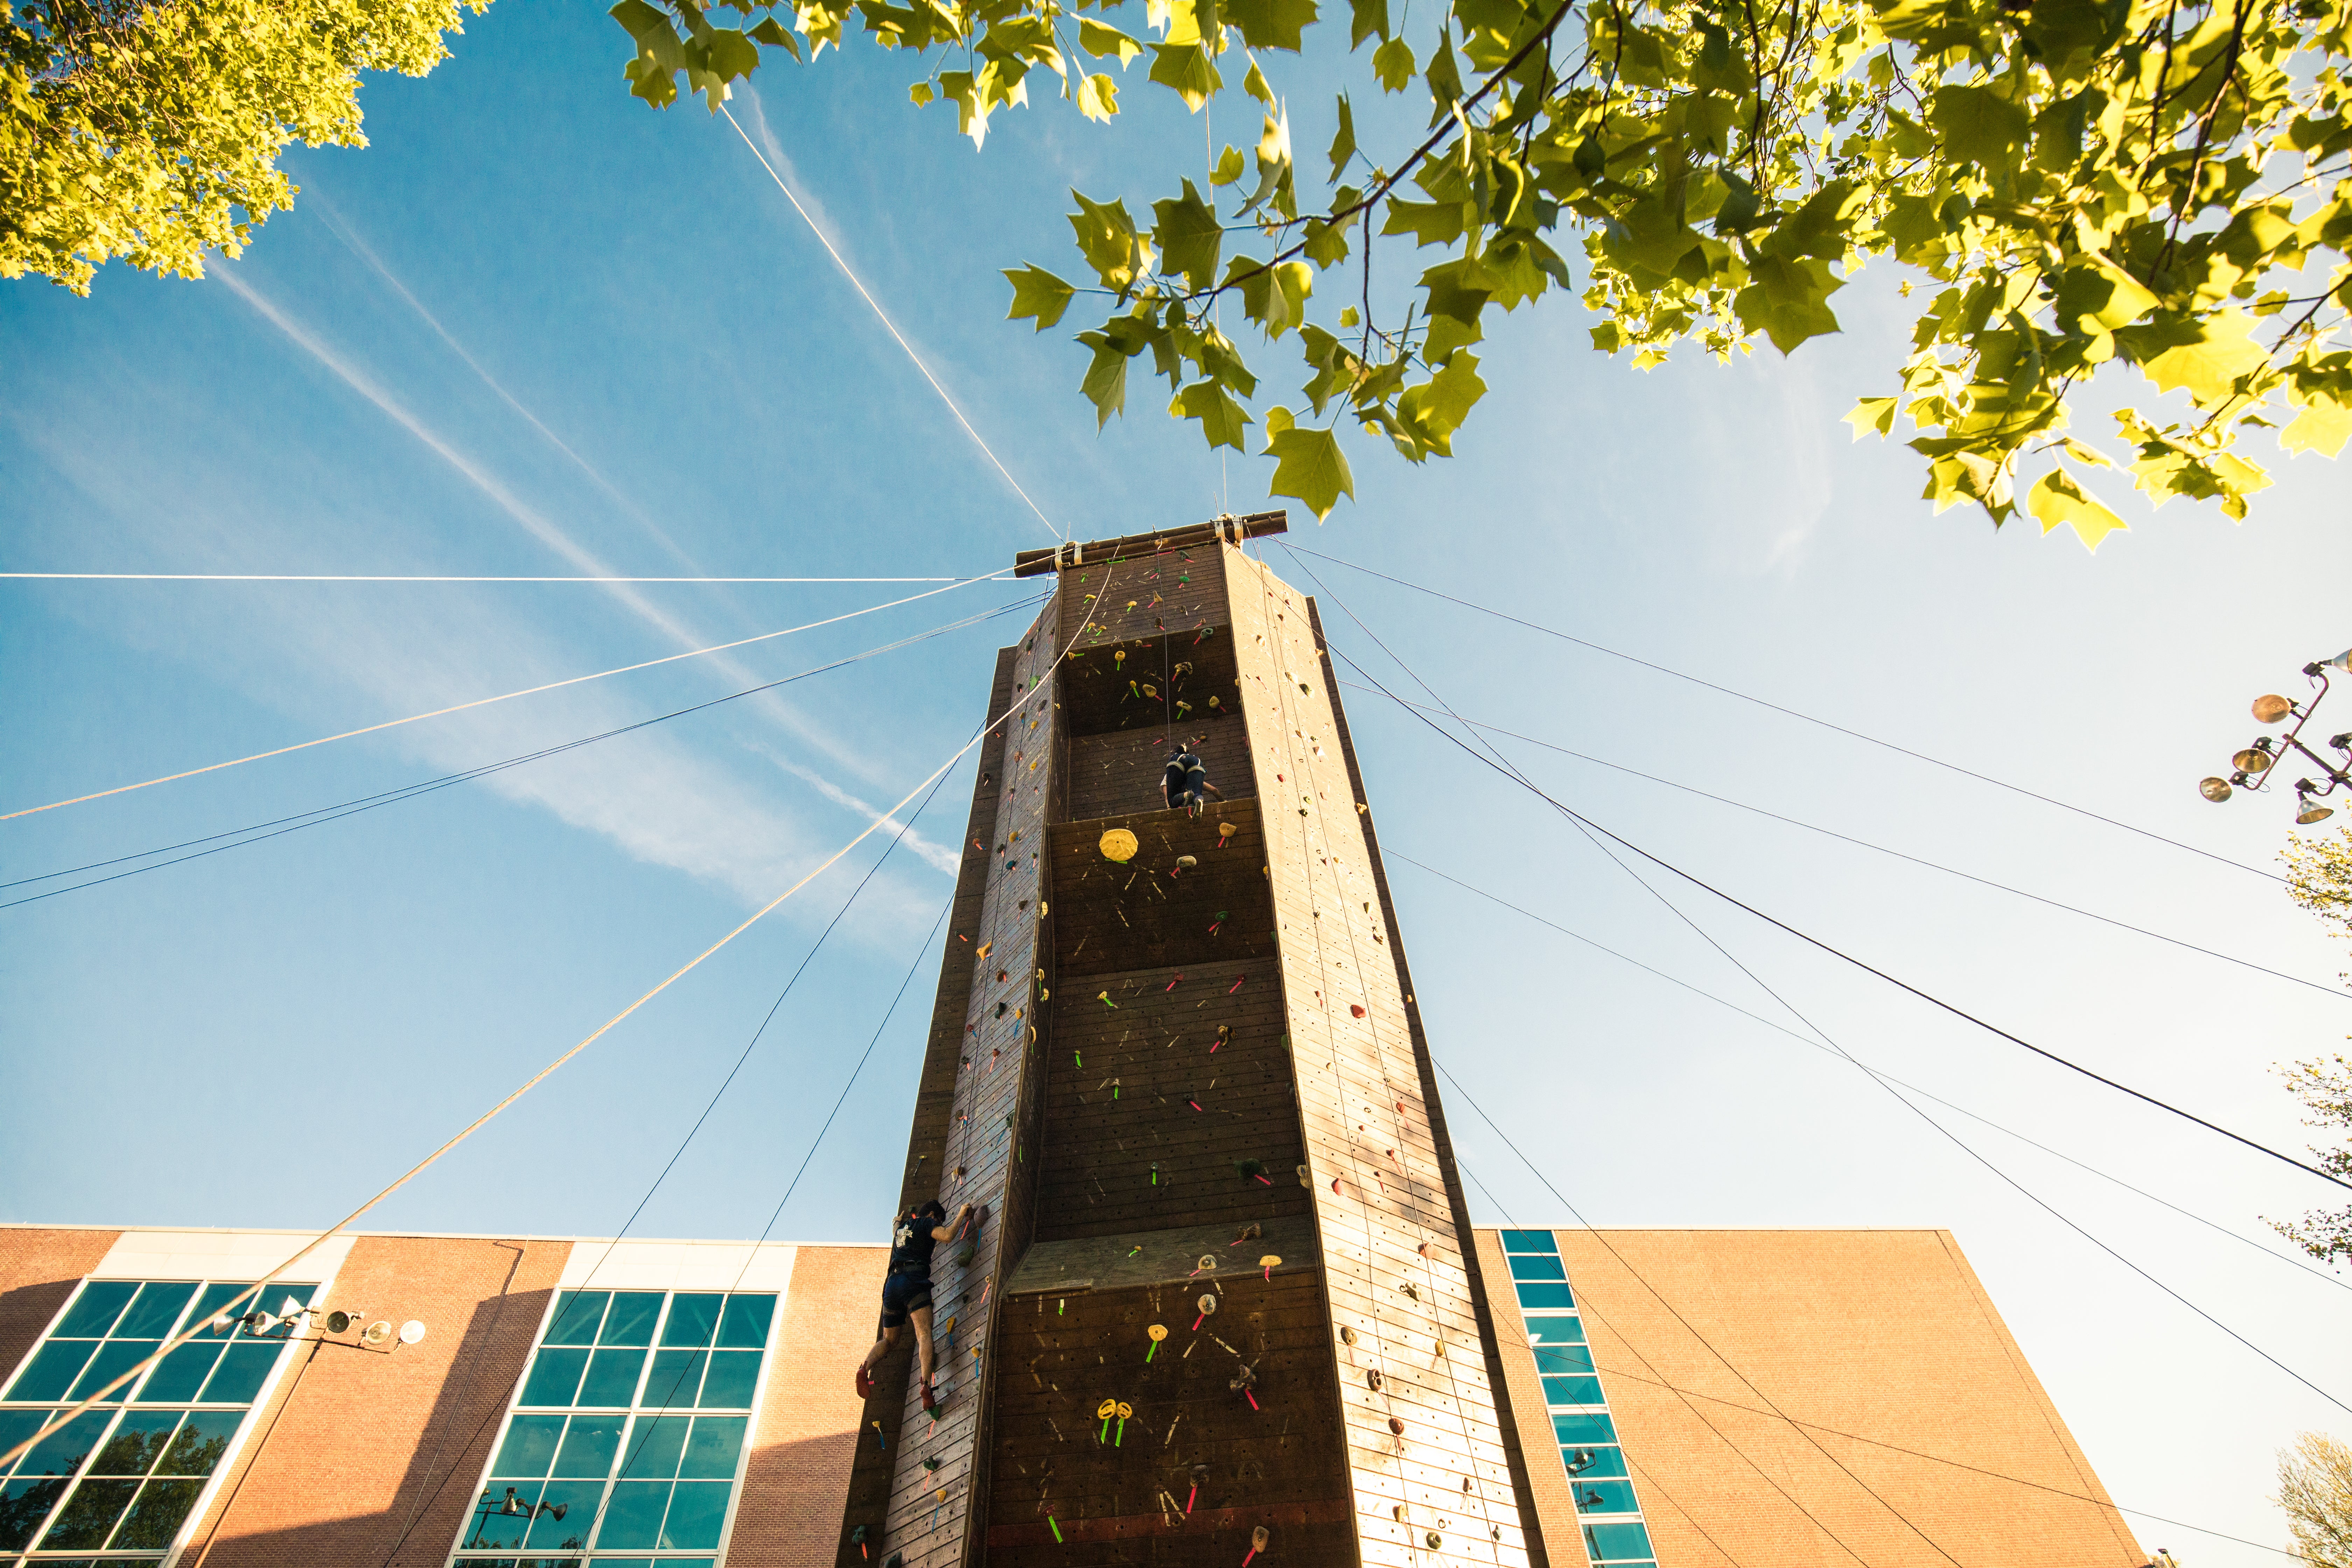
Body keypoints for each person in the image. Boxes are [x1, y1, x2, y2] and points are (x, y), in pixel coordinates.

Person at [855, 1198, 973, 1411]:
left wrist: (896, 1220)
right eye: (938, 1220)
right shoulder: (926, 1223)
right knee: (924, 1334)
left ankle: (864, 1368)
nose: (938, 1223)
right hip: (914, 1281)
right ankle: (926, 1387)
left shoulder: (901, 1229)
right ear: (931, 1216)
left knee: (889, 1340)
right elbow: (947, 1236)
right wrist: (962, 1213)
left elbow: (895, 1228)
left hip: (892, 1286)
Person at [1162, 742, 1223, 817]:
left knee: (1172, 801)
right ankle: (1199, 800)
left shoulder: (1168, 776)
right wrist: (1224, 803)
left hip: (1177, 760)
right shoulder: (1191, 773)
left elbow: (1167, 797)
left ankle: (1188, 794)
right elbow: (1214, 790)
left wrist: (1169, 811)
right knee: (1195, 795)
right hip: (1197, 762)